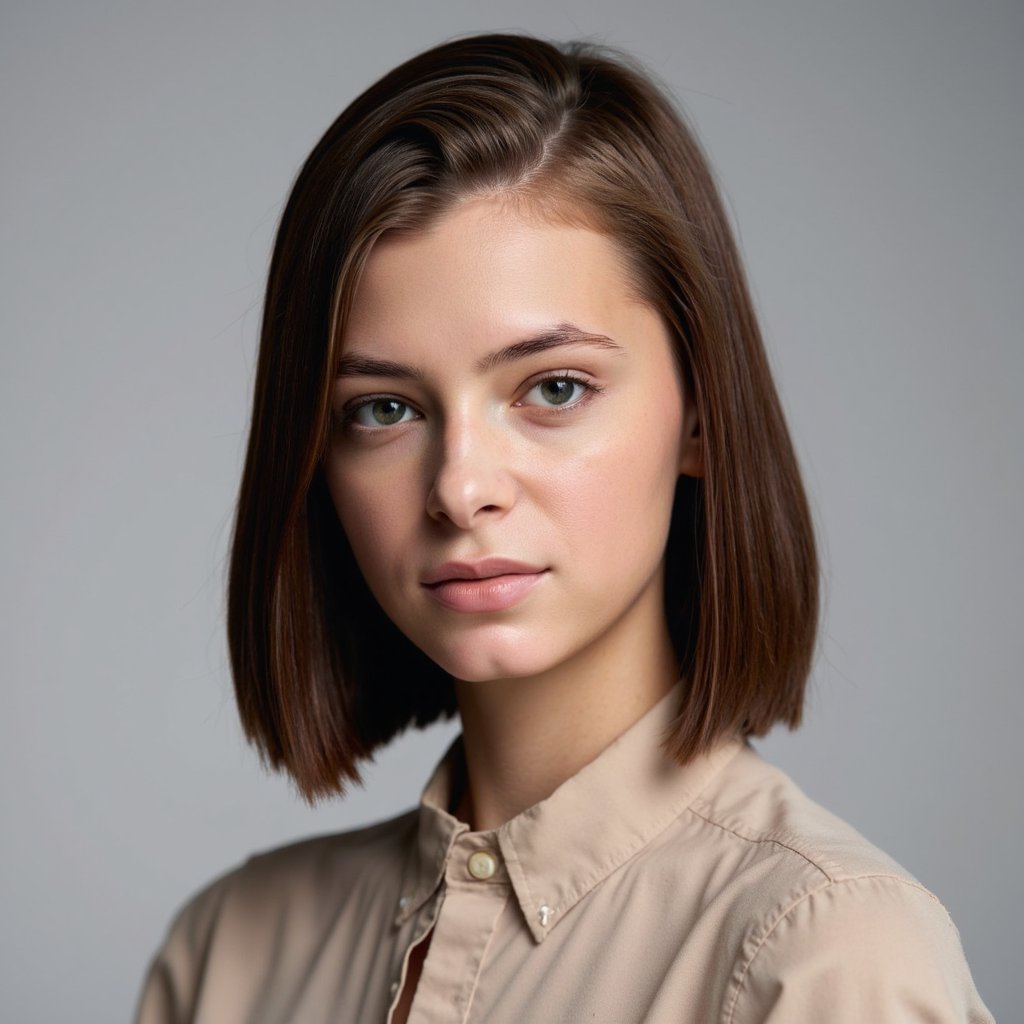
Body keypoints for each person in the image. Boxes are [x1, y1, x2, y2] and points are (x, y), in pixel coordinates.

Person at [135, 33, 991, 1023]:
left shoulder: (824, 956)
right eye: (382, 408)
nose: (459, 487)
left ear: (701, 416)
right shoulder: (229, 955)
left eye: (552, 388)